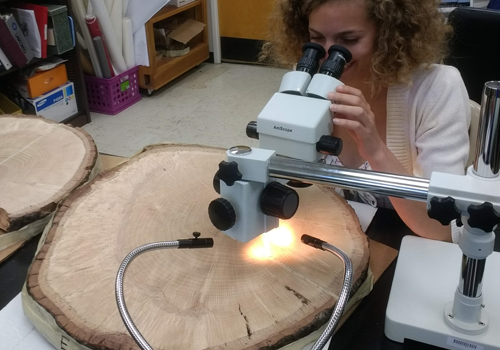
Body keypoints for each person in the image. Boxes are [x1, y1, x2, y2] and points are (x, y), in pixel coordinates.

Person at [260, 0, 471, 243]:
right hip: (329, 234)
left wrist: (375, 149)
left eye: (349, 40)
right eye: (316, 38)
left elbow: (441, 229)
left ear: (388, 36)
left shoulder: (437, 88)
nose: (328, 54)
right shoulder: (307, 80)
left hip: (408, 245)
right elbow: (289, 182)